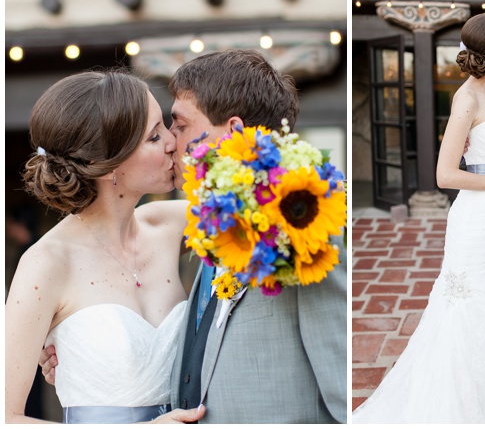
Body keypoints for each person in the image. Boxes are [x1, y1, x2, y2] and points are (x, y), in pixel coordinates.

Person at [43, 50, 348, 423]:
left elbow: (342, 384)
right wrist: (83, 354)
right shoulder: (211, 220)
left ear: (233, 131)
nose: (170, 142)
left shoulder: (303, 230)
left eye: (179, 125)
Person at [353, 12, 485, 423]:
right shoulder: (467, 99)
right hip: (477, 217)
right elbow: (445, 174)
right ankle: (455, 398)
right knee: (469, 303)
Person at [6, 71, 205, 424]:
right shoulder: (47, 263)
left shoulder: (170, 225)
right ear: (109, 164)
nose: (173, 142)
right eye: (155, 136)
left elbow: (263, 208)